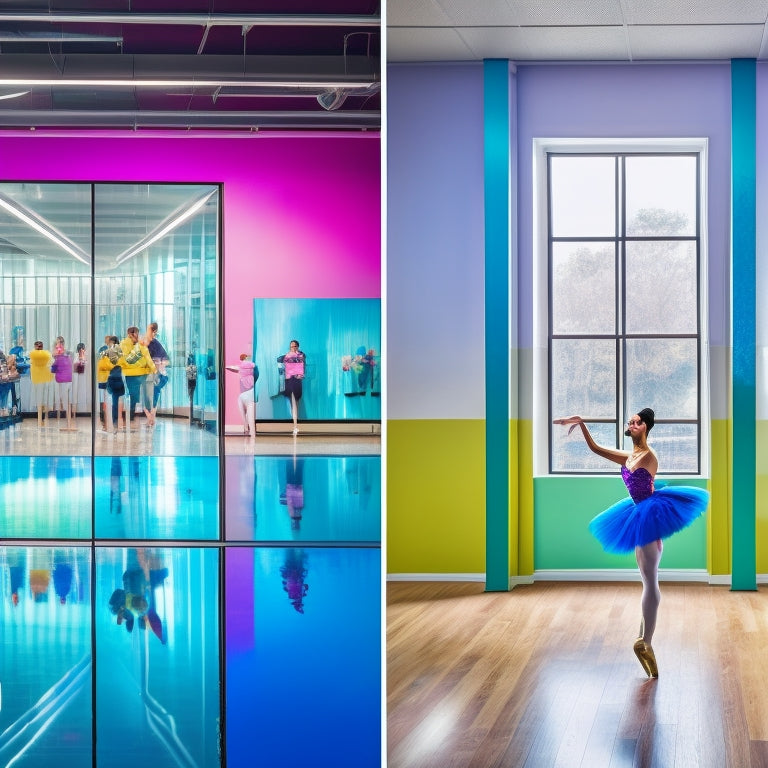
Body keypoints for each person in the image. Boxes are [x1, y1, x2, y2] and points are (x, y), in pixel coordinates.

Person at [553, 408, 709, 678]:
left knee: (651, 581)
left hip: (649, 517)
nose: (631, 424)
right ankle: (644, 639)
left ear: (645, 427)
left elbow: (645, 485)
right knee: (647, 581)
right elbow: (596, 449)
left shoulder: (648, 456)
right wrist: (581, 424)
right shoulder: (630, 456)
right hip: (639, 516)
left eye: (636, 422)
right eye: (631, 421)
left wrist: (656, 527)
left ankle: (645, 641)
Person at [120, 326, 156, 430]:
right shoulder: (124, 344)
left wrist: (154, 370)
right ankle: (131, 414)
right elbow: (126, 360)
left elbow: (147, 357)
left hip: (142, 373)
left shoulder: (140, 343)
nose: (136, 335)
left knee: (141, 395)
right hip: (131, 374)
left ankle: (145, 415)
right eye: (134, 334)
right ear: (129, 334)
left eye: (137, 333)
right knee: (133, 394)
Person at [144, 322, 170, 427]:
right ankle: (151, 418)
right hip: (151, 375)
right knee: (151, 395)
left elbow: (165, 360)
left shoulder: (155, 344)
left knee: (153, 394)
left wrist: (158, 365)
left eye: (152, 331)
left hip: (157, 375)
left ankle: (151, 418)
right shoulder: (145, 343)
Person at [226, 353, 258, 435]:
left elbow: (232, 368)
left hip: (243, 395)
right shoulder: (253, 368)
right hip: (250, 393)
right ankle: (251, 432)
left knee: (245, 418)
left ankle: (246, 428)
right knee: (250, 418)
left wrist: (225, 366)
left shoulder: (240, 368)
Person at [277, 340, 305, 435]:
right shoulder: (287, 356)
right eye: (291, 346)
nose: (293, 348)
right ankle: (295, 426)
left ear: (298, 346)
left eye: (295, 346)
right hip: (289, 381)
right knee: (293, 402)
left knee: (296, 403)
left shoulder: (300, 355)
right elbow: (281, 365)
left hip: (297, 381)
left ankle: (296, 425)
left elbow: (302, 366)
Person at [51, 336, 75, 430]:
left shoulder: (62, 353)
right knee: (65, 399)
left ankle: (68, 423)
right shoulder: (65, 353)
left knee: (65, 399)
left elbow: (54, 366)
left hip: (63, 379)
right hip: (65, 378)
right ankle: (68, 422)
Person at [29, 340, 53, 427]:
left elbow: (31, 365)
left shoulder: (33, 356)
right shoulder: (46, 355)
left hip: (37, 380)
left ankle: (40, 420)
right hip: (43, 380)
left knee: (39, 399)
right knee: (43, 399)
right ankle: (41, 419)